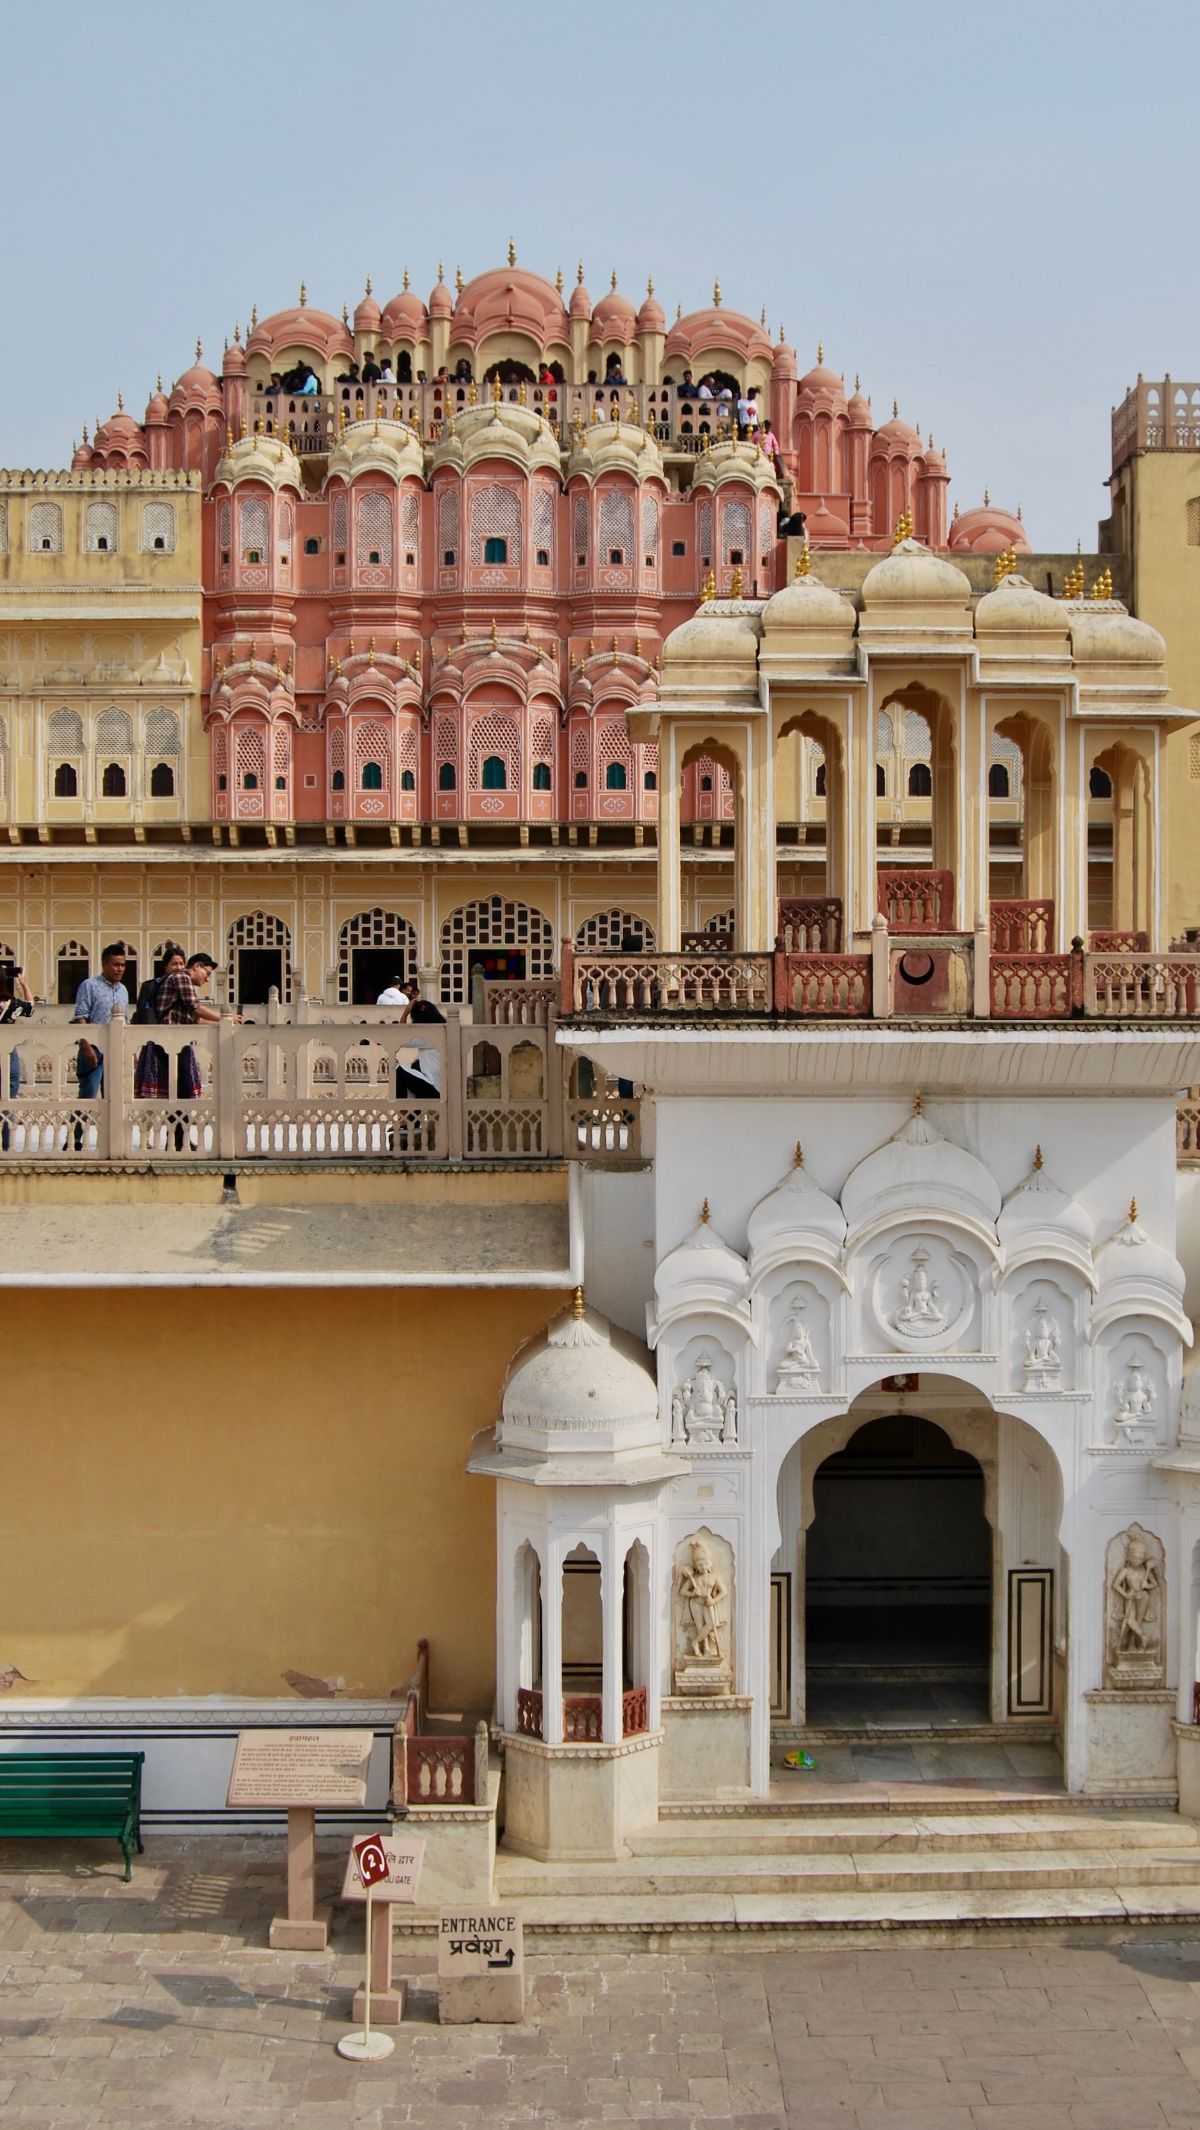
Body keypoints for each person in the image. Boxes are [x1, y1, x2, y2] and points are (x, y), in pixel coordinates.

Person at [154, 952, 240, 1100]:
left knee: (180, 1086)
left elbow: (197, 1019)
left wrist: (224, 1023)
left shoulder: (183, 981)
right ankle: (178, 1115)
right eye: (207, 973)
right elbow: (196, 1008)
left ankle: (178, 1115)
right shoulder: (181, 977)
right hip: (172, 1039)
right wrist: (226, 1017)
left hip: (177, 1040)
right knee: (181, 1086)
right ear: (197, 966)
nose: (207, 979)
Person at [71, 943, 129, 1099]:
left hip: (115, 1048)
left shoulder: (123, 990)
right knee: (88, 1093)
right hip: (94, 1048)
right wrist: (86, 1046)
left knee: (113, 1097)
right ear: (105, 964)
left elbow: (126, 1021)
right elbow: (81, 1017)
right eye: (116, 965)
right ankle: (80, 1117)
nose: (120, 969)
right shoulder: (89, 986)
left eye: (123, 965)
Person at [133, 944, 185, 1099]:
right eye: (174, 964)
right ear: (166, 966)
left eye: (181, 963)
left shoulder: (185, 986)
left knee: (180, 1084)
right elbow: (143, 1012)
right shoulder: (151, 986)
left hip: (181, 1040)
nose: (178, 967)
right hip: (156, 1043)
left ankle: (178, 1114)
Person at [395, 982, 445, 1098]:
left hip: (435, 1088)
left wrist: (406, 1012)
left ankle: (403, 1109)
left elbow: (400, 1038)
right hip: (441, 1087)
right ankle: (411, 1109)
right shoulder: (441, 1029)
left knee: (399, 1071)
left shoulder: (429, 1034)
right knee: (415, 1066)